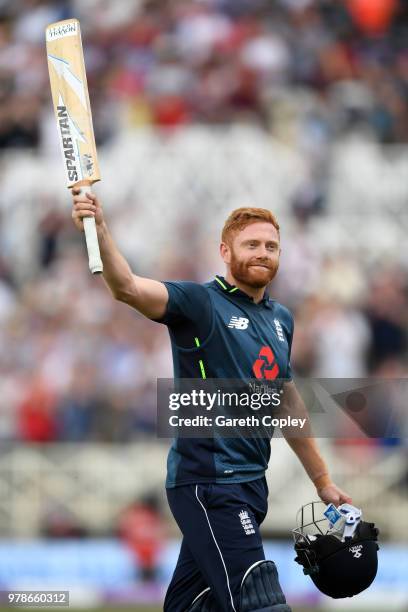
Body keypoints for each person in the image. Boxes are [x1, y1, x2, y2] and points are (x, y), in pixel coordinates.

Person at [71, 189, 352, 612]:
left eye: (271, 246)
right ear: (225, 250)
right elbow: (126, 287)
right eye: (252, 244)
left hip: (251, 486)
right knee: (260, 598)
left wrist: (322, 481)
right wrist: (101, 228)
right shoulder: (201, 302)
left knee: (191, 606)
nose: (263, 253)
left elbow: (286, 402)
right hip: (209, 482)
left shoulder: (281, 320)